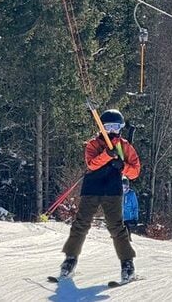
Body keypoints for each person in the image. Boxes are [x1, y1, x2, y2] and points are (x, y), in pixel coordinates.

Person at [60, 109, 141, 283]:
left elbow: (135, 172)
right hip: (92, 188)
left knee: (116, 227)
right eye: (108, 127)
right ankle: (70, 259)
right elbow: (91, 164)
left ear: (121, 128)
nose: (112, 130)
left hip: (112, 190)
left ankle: (127, 264)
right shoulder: (93, 144)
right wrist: (107, 155)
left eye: (116, 127)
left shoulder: (125, 146)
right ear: (101, 128)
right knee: (81, 224)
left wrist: (122, 166)